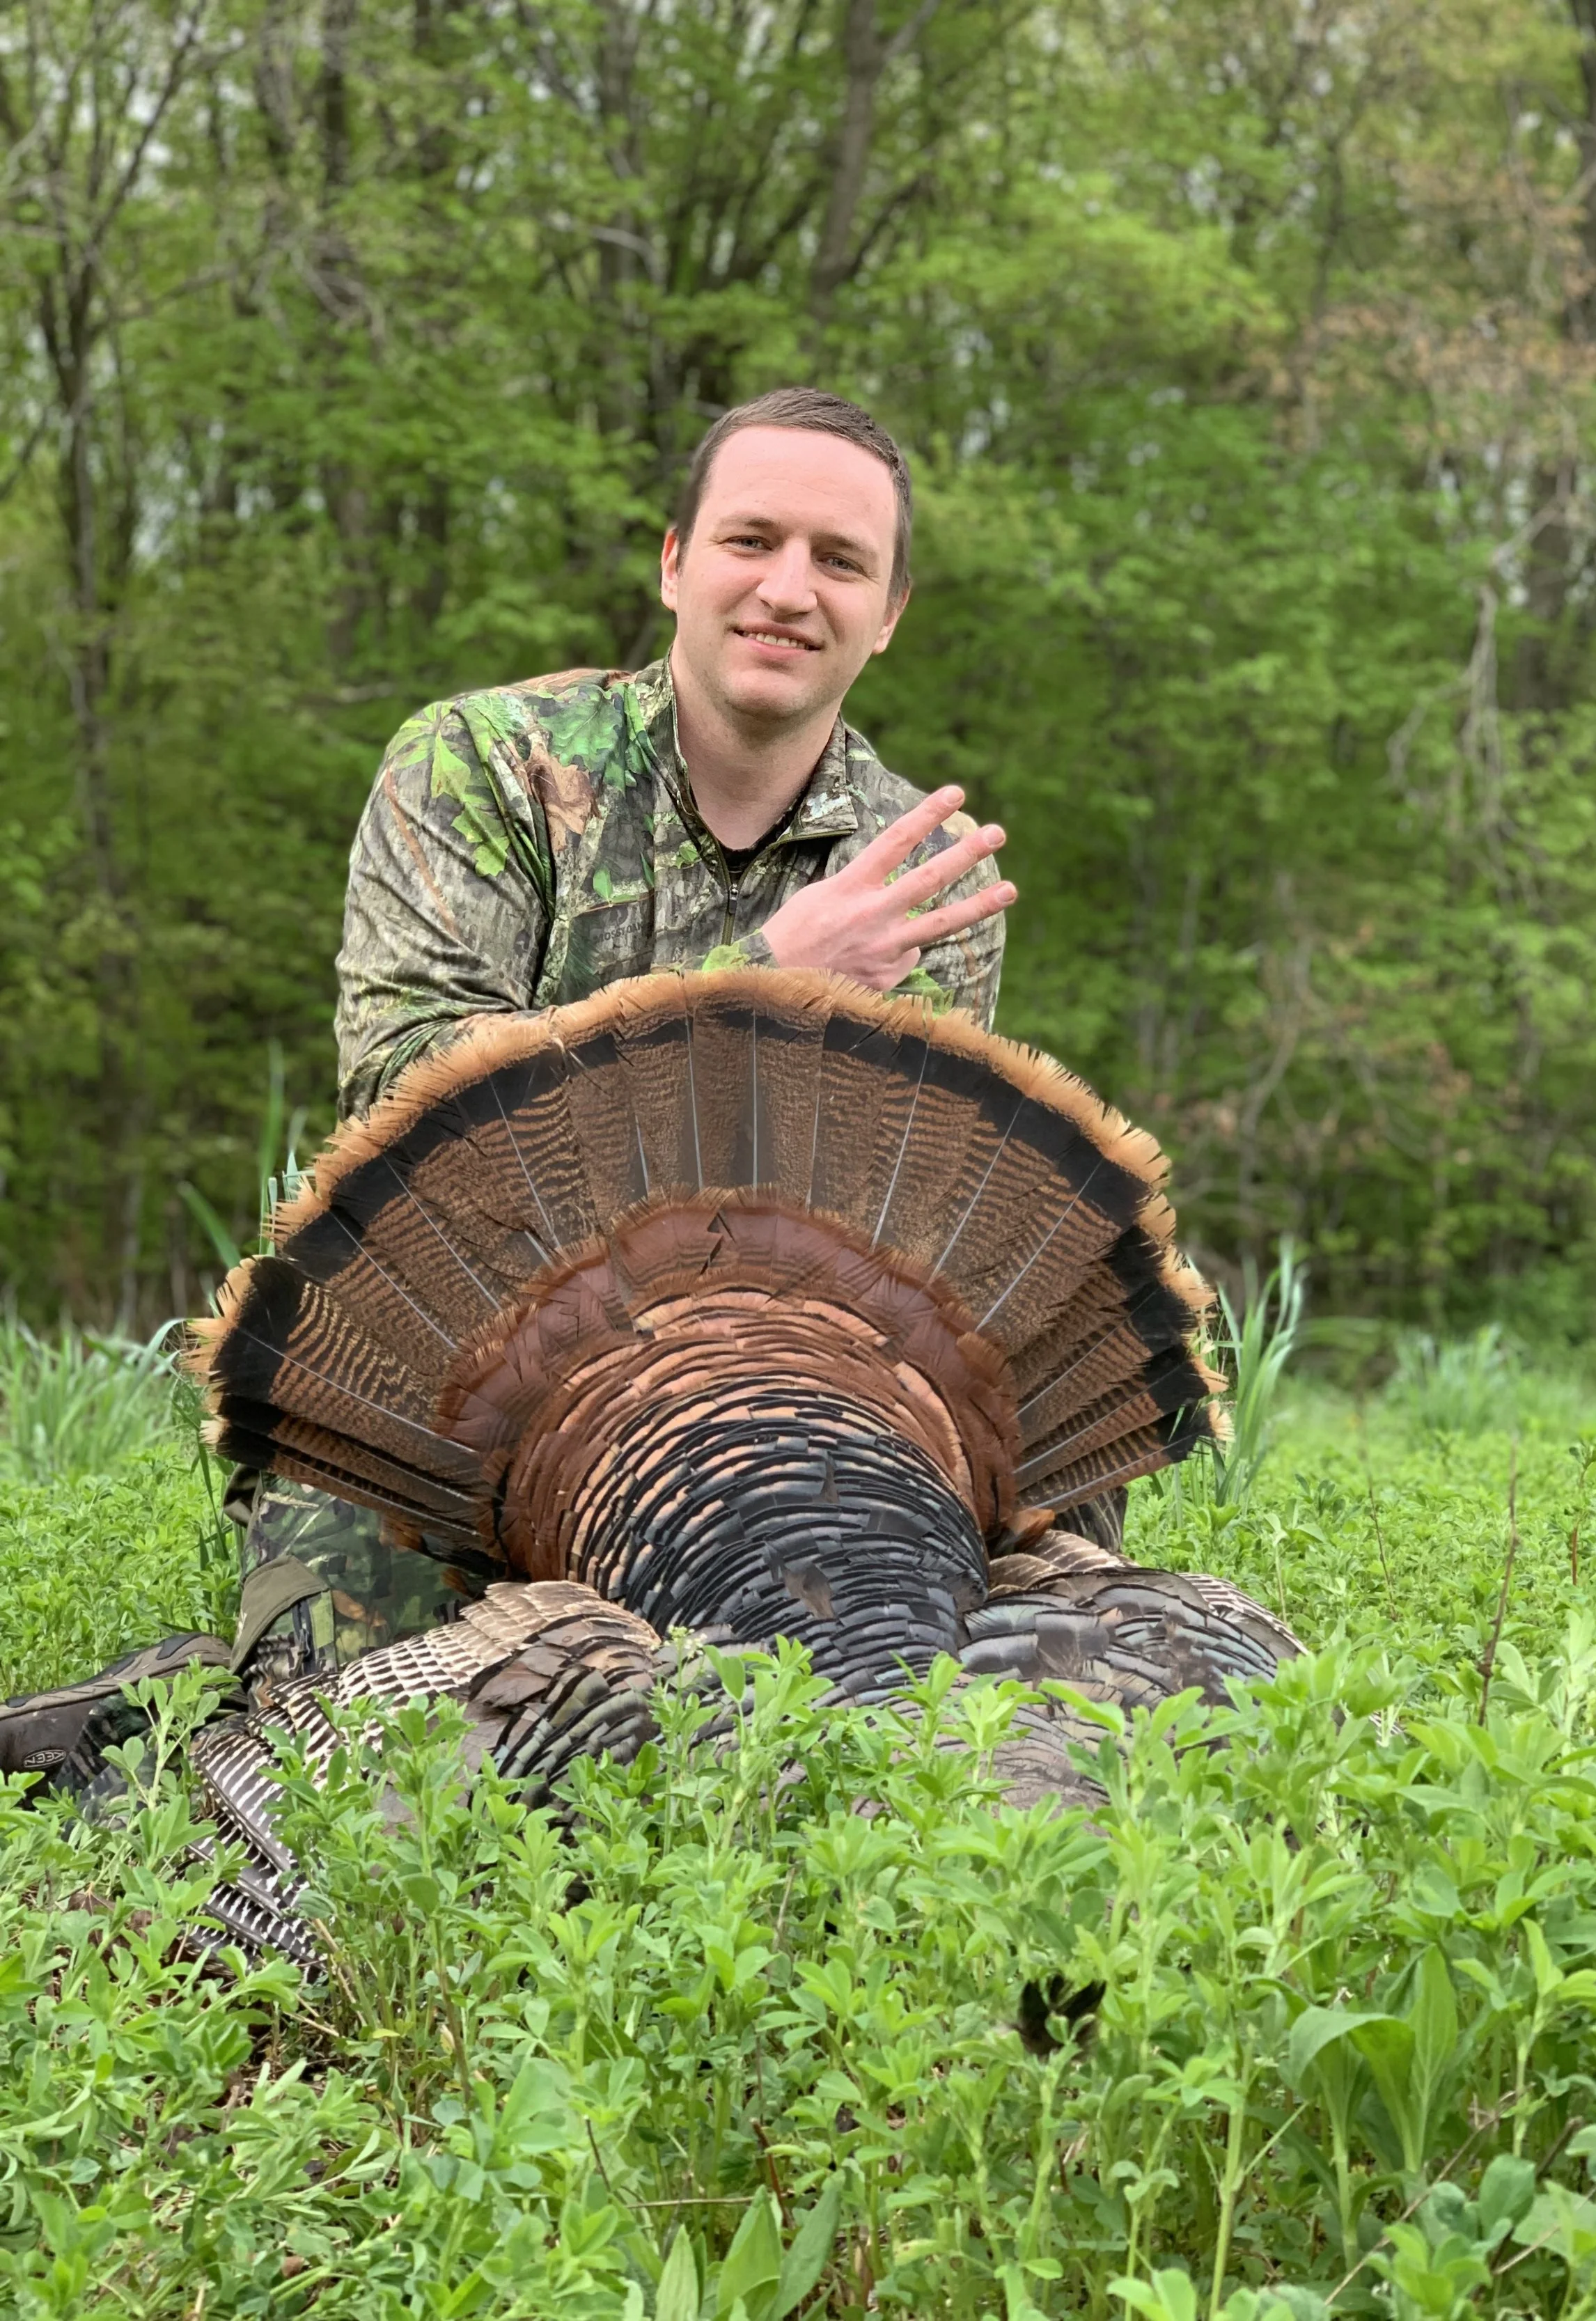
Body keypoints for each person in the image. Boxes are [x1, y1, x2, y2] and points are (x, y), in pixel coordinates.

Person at [0, 387, 1019, 1781]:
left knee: (948, 1698)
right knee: (363, 1751)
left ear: (888, 612)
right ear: (674, 562)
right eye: (750, 540)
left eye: (838, 561)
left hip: (759, 1388)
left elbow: (889, 1229)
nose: (787, 589)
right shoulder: (481, 766)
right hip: (448, 1372)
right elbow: (411, 1098)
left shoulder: (916, 880)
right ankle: (163, 1714)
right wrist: (761, 980)